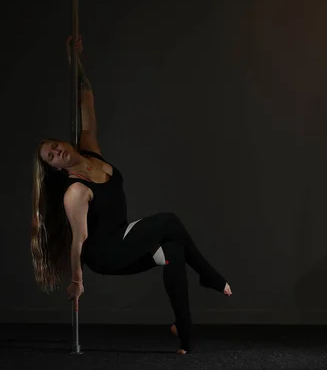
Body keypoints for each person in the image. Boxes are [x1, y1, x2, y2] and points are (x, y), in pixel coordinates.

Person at [30, 35, 232, 355]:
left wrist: (75, 62)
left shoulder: (92, 152)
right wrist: (77, 281)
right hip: (105, 253)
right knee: (168, 220)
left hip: (124, 236)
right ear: (54, 168)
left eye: (55, 146)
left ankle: (185, 335)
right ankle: (208, 275)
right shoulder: (75, 190)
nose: (56, 152)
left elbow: (87, 102)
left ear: (66, 143)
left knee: (172, 253)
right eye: (50, 157)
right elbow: (78, 241)